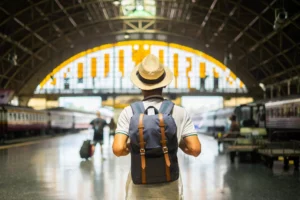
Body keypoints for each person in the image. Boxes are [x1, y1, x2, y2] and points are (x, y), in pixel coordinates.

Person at [112, 54, 201, 200]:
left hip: (138, 188)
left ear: (139, 84)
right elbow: (195, 149)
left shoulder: (129, 112)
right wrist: (173, 141)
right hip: (170, 187)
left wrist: (134, 145)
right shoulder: (179, 112)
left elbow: (118, 149)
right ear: (164, 83)